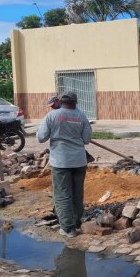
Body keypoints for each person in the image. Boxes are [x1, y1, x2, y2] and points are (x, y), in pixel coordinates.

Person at [37, 92, 92, 238]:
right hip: (79, 161)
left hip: (61, 162)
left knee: (62, 195)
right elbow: (86, 139)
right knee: (77, 194)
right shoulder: (82, 116)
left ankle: (68, 228)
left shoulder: (52, 116)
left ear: (61, 101)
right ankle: (76, 222)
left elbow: (41, 137)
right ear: (75, 102)